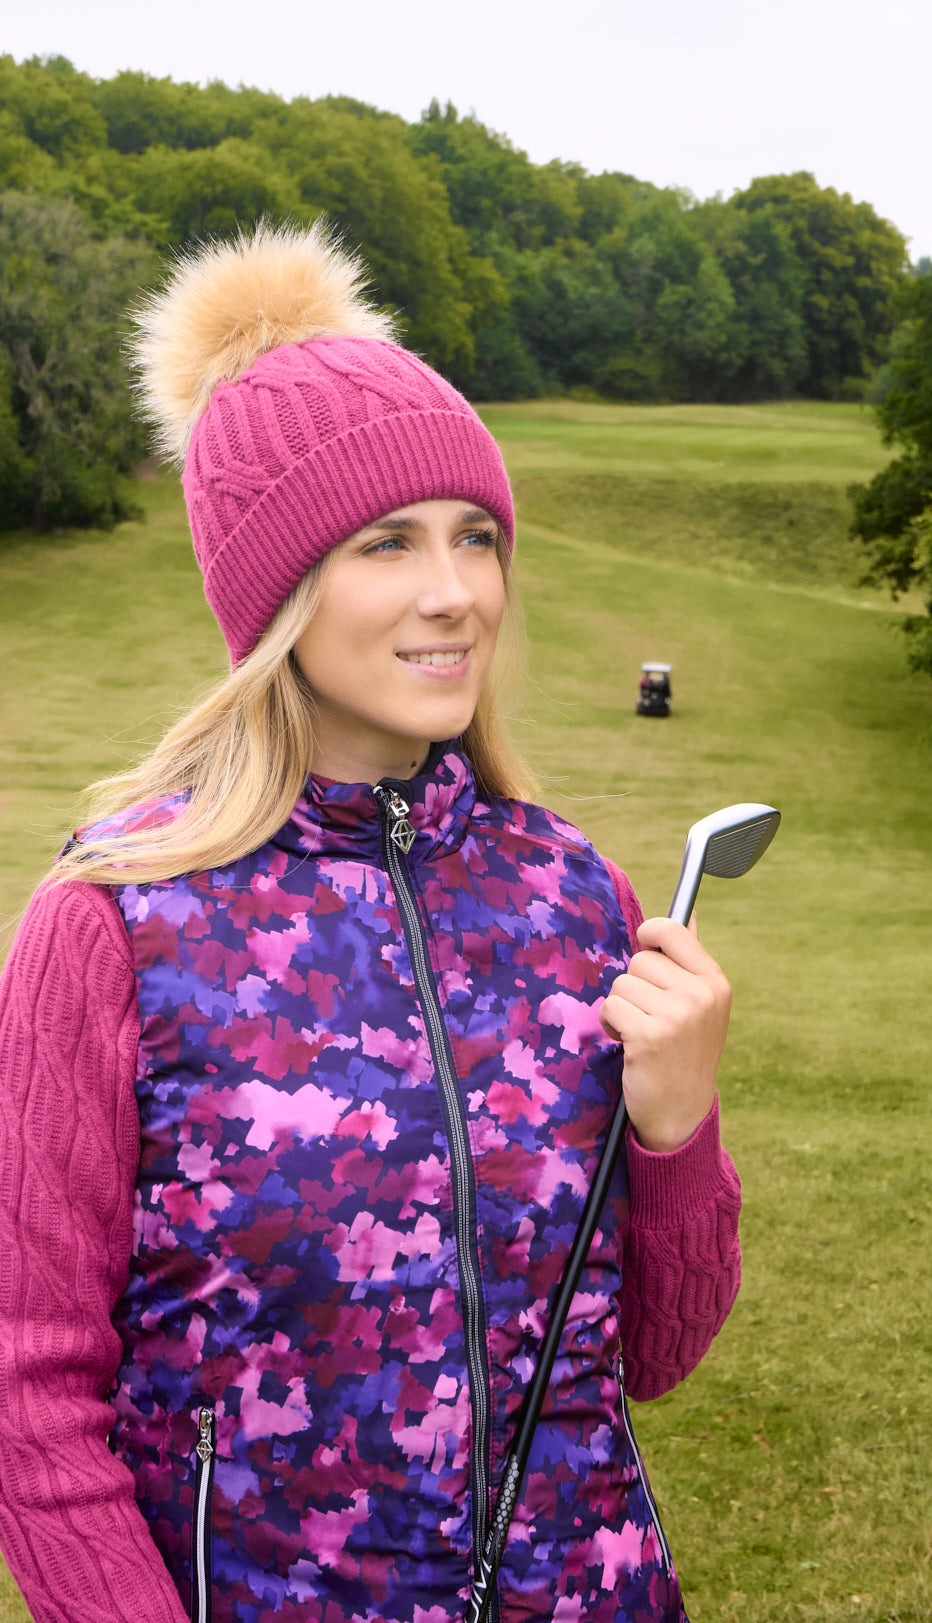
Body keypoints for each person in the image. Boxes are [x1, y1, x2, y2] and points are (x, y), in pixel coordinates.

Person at [0, 223, 742, 1623]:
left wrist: (676, 1131)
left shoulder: (569, 893)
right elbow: (29, 1400)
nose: (454, 592)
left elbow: (654, 1355)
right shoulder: (114, 925)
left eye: (476, 537)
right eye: (386, 542)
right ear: (275, 588)